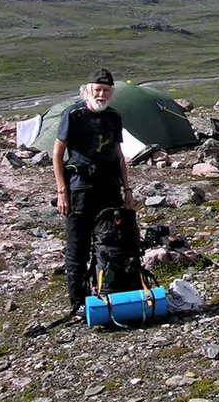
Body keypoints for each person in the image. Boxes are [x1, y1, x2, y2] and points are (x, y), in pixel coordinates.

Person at [52, 68, 135, 311]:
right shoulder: (73, 114)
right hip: (79, 190)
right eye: (97, 90)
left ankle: (108, 293)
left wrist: (127, 190)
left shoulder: (113, 116)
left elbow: (119, 156)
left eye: (106, 90)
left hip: (109, 189)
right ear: (87, 90)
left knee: (111, 243)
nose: (101, 94)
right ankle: (77, 303)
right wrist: (61, 192)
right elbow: (57, 153)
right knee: (77, 248)